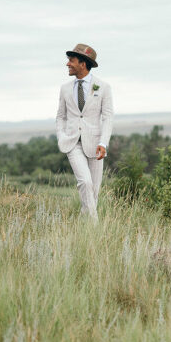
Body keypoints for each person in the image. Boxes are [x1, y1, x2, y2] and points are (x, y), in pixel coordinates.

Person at [56, 43, 113, 219]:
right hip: (72, 143)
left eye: (71, 60)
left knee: (94, 191)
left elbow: (108, 117)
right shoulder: (65, 88)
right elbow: (60, 117)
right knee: (85, 182)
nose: (67, 64)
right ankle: (95, 227)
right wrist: (61, 136)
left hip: (95, 144)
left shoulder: (103, 87)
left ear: (83, 63)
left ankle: (83, 225)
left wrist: (103, 143)